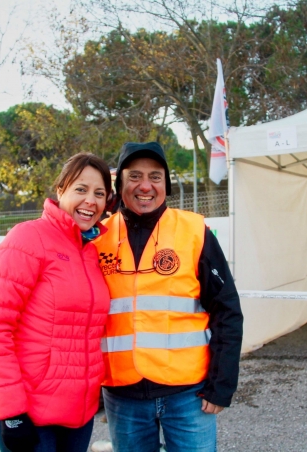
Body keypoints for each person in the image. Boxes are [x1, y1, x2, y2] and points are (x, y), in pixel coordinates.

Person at [93, 142, 243, 452]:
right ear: (119, 184)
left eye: (155, 176)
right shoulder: (97, 238)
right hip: (122, 398)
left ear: (166, 184)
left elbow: (226, 309)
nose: (145, 185)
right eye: (134, 176)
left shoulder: (194, 231)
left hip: (190, 396)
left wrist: (220, 385)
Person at [0, 152, 113, 452]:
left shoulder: (92, 252)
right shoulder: (27, 238)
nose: (91, 200)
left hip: (79, 415)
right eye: (81, 189)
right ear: (61, 189)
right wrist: (10, 412)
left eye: (99, 193)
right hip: (31, 415)